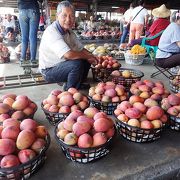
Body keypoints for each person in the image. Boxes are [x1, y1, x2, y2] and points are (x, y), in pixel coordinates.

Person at [39, 1, 97, 90]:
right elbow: (68, 55)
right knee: (77, 64)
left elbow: (80, 48)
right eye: (64, 15)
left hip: (61, 65)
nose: (68, 19)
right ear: (57, 16)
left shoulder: (69, 32)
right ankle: (69, 89)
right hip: (49, 70)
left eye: (72, 16)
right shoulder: (52, 32)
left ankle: (78, 83)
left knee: (85, 60)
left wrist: (92, 56)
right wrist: (87, 56)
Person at [17, 0, 42, 66]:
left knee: (24, 37)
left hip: (22, 10)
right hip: (33, 9)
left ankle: (22, 59)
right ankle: (33, 60)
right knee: (32, 37)